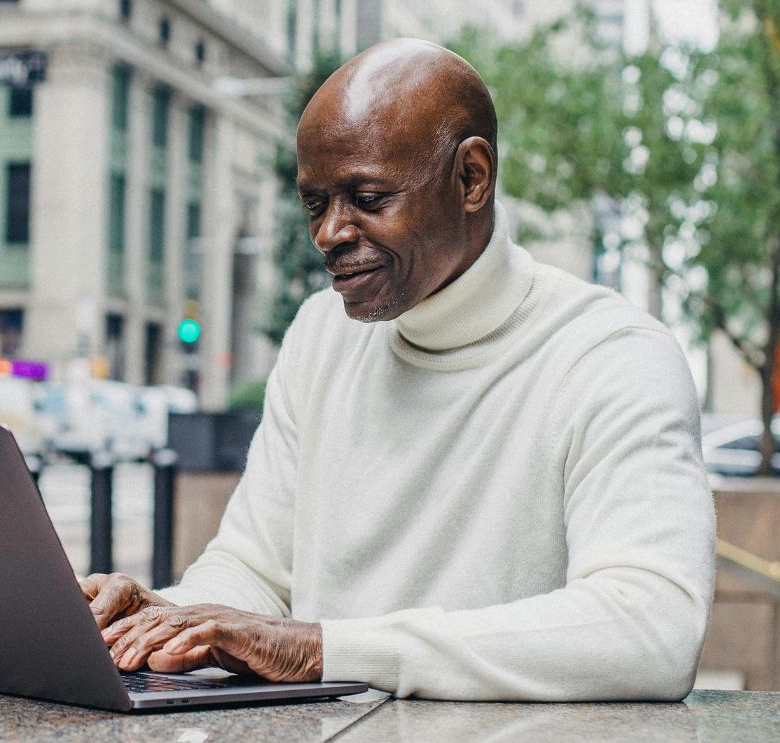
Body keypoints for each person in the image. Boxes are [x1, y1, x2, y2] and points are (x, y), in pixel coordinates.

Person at [81, 39, 715, 701]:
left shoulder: (610, 355)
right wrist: (164, 618)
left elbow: (651, 626)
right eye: (314, 203)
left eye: (367, 196)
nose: (329, 232)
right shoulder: (318, 334)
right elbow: (255, 571)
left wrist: (326, 649)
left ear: (471, 178)